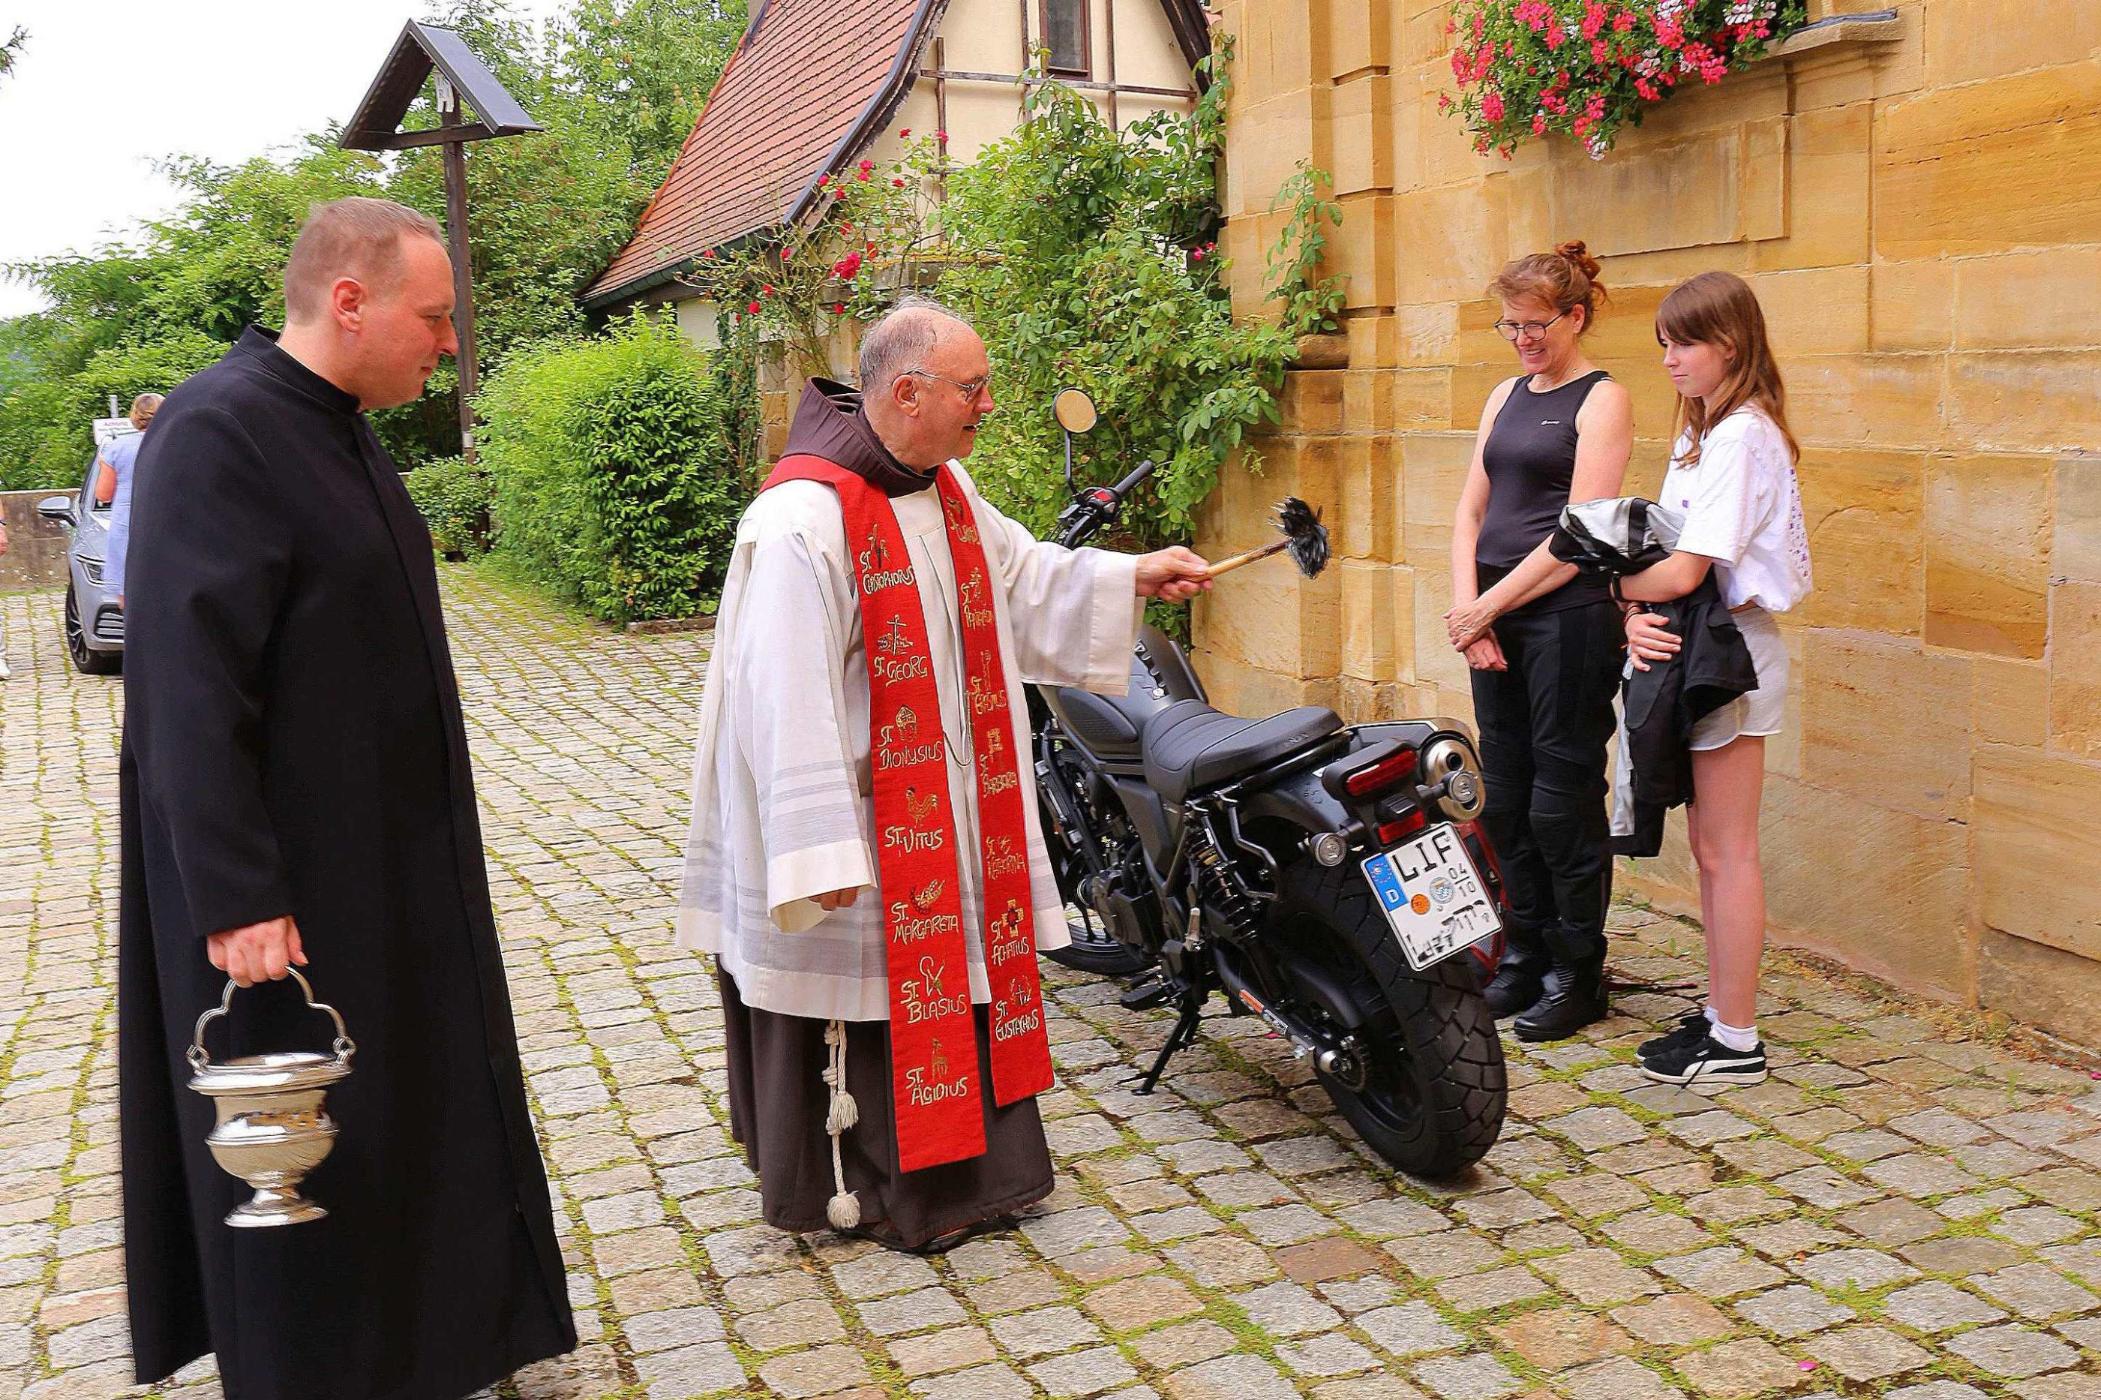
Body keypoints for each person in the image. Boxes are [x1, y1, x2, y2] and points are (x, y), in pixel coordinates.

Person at [118, 198, 576, 1400]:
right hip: (292, 883)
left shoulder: (339, 426)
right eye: (433, 318)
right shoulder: (222, 431)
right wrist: (235, 891)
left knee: (407, 1107)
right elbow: (187, 683)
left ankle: (423, 1348)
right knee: (310, 1127)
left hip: (384, 856)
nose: (447, 343)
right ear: (350, 301)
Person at [677, 297, 1212, 1252]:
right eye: (973, 388)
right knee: (865, 997)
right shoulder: (801, 518)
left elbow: (1023, 577)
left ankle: (978, 1180)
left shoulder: (945, 488)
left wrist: (1126, 576)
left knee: (954, 980)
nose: (988, 404)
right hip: (860, 817)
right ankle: (877, 1192)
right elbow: (780, 690)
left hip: (948, 807)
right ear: (908, 390)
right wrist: (814, 842)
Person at [1618, 270, 1811, 1090]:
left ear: (1727, 344)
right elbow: (1667, 557)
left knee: (1727, 850)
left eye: (1682, 343)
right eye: (1662, 343)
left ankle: (1736, 1039)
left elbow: (1685, 567)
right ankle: (1720, 1012)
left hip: (1727, 653)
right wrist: (1630, 608)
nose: (1667, 360)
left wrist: (1606, 588)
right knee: (1708, 847)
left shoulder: (1739, 435)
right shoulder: (1708, 432)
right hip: (1706, 647)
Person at [1445, 241, 1633, 1042]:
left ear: (1574, 317)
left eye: (1534, 325)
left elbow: (1577, 535)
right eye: (1508, 325)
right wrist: (1469, 614)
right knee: (1508, 793)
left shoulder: (1604, 399)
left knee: (1562, 799)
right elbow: (1468, 511)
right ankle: (1520, 953)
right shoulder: (1504, 395)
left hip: (1566, 620)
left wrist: (1485, 607)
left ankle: (1576, 968)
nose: (1521, 339)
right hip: (1492, 621)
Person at [94, 391, 164, 604]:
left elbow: (103, 495)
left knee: (129, 593)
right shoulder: (176, 442)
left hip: (128, 524)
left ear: (135, 415)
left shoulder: (116, 448)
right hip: (167, 522)